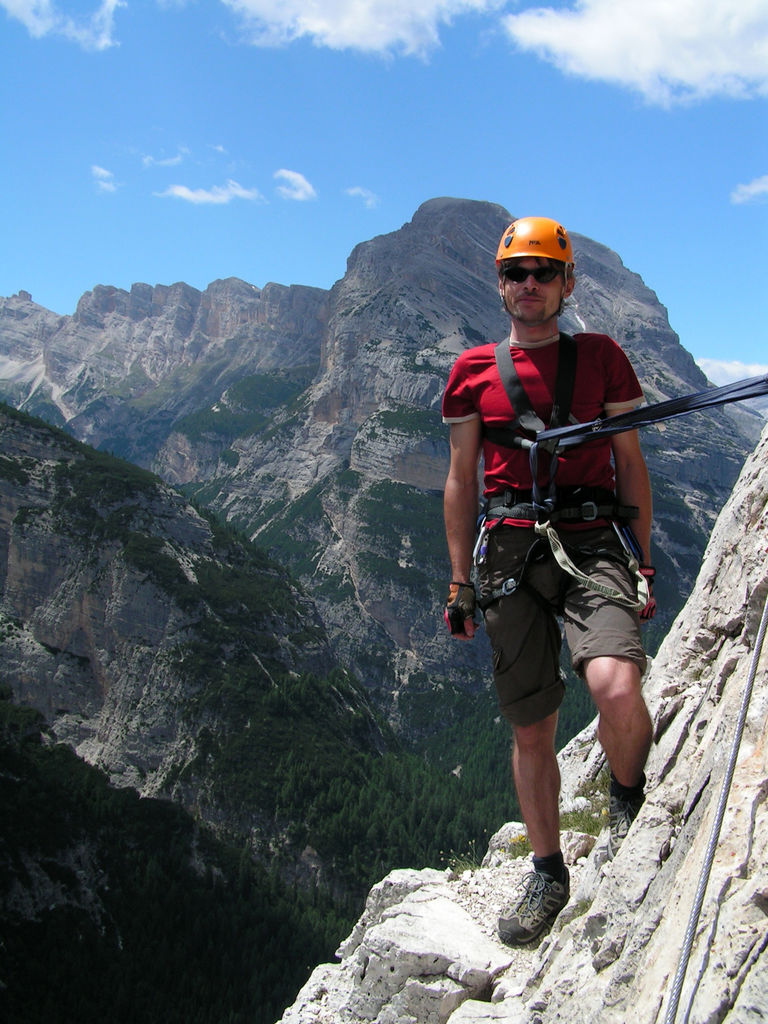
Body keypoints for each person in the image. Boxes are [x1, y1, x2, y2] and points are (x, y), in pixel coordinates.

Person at [441, 216, 655, 945]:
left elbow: (631, 461)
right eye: (515, 273)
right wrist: (457, 583)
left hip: (593, 541)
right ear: (498, 284)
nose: (527, 285)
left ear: (568, 283)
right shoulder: (471, 371)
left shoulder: (602, 358)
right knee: (531, 728)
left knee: (616, 686)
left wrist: (644, 559)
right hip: (507, 551)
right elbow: (460, 480)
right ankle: (548, 872)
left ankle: (628, 798)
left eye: (542, 272)